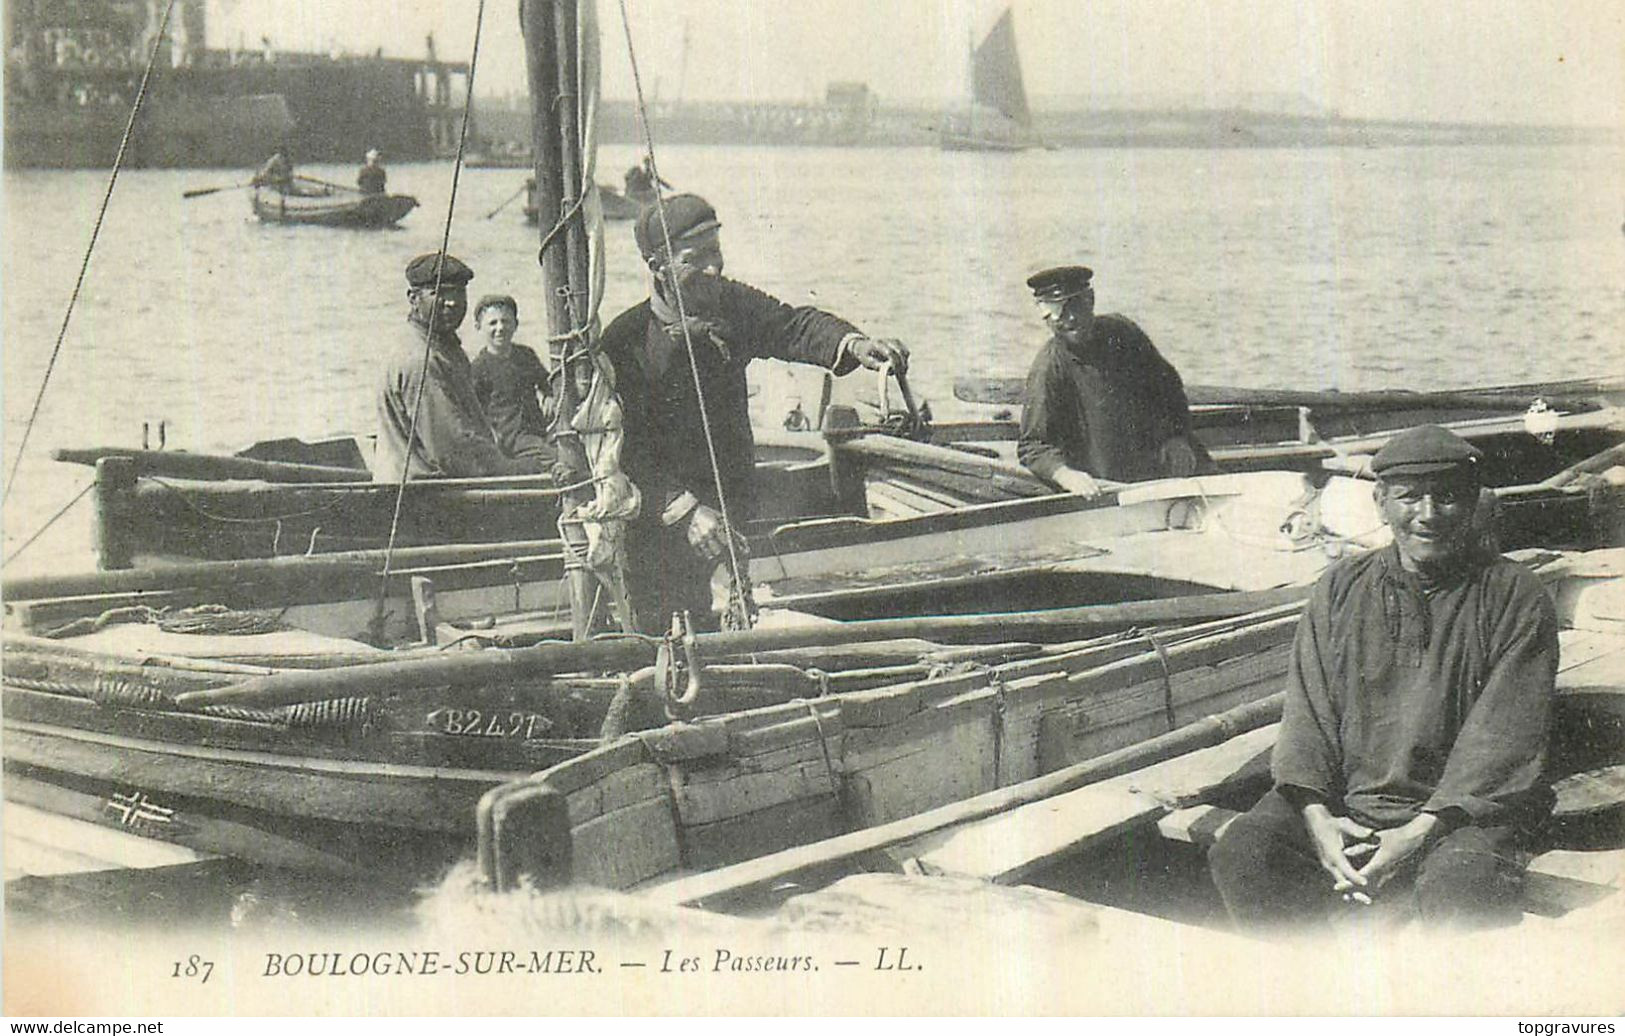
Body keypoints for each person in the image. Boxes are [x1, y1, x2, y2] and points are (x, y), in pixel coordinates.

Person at [1207, 425, 1560, 933]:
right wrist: (1316, 816)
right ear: (1380, 502)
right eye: (1410, 497)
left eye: (1448, 498)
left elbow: (1502, 739)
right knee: (1245, 852)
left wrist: (1417, 832)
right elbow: (1309, 715)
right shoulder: (1339, 588)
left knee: (1461, 887)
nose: (1428, 515)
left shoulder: (1514, 595)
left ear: (1475, 502)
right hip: (1351, 798)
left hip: (1463, 812)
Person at [599, 193, 909, 633]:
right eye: (696, 258)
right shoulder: (624, 344)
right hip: (660, 532)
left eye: (717, 252)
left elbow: (791, 326)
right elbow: (622, 456)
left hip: (733, 507)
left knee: (735, 634)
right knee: (668, 638)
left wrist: (854, 345)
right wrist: (683, 511)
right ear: (658, 268)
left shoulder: (730, 304)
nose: (715, 268)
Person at [1017, 265, 1210, 498]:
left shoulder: (1122, 333)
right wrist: (1065, 475)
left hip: (1163, 468)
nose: (1068, 319)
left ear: (1090, 300)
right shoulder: (1049, 367)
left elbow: (1168, 387)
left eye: (1075, 306)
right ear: (1046, 317)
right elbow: (1033, 447)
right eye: (1057, 313)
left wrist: (1176, 436)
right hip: (1109, 488)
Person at [375, 253, 555, 481]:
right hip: (420, 494)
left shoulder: (445, 348)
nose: (452, 302)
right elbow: (453, 450)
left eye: (458, 292)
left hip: (437, 482)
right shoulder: (421, 359)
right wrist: (519, 468)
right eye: (439, 293)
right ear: (413, 298)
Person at [469, 294, 556, 463]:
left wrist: (549, 395)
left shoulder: (526, 355)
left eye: (505, 321)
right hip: (510, 439)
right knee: (561, 458)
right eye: (493, 323)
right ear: (479, 327)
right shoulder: (478, 368)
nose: (500, 328)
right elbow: (473, 412)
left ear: (515, 325)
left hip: (537, 431)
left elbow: (547, 382)